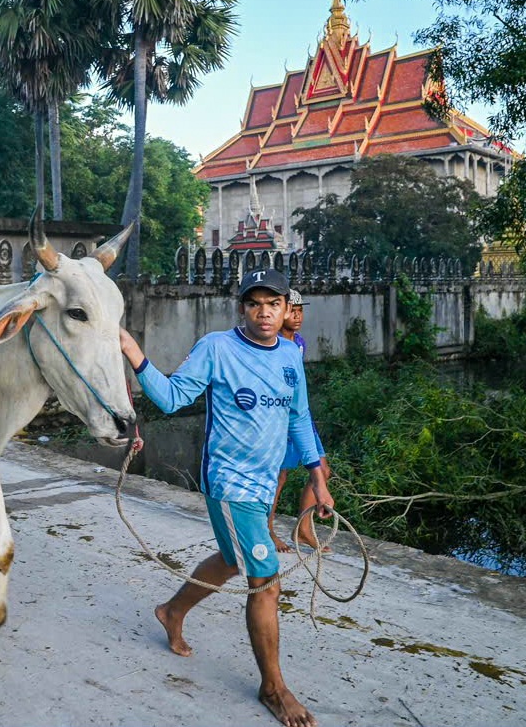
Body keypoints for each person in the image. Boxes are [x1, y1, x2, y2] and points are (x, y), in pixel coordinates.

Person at [118, 268, 333, 727]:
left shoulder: (291, 358)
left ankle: (171, 610)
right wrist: (134, 353)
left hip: (261, 484)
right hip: (229, 483)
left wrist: (318, 477)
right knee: (266, 580)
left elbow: (300, 418)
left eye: (273, 304)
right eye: (254, 303)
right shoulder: (217, 348)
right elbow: (173, 397)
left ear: (285, 308)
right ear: (241, 308)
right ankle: (273, 688)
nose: (264, 312)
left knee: (233, 560)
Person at [268, 289, 331, 554]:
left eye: (300, 310)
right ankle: (267, 529)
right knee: (279, 475)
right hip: (278, 418)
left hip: (299, 415)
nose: (297, 316)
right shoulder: (271, 344)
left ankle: (303, 529)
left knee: (322, 469)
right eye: (291, 310)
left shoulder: (299, 342)